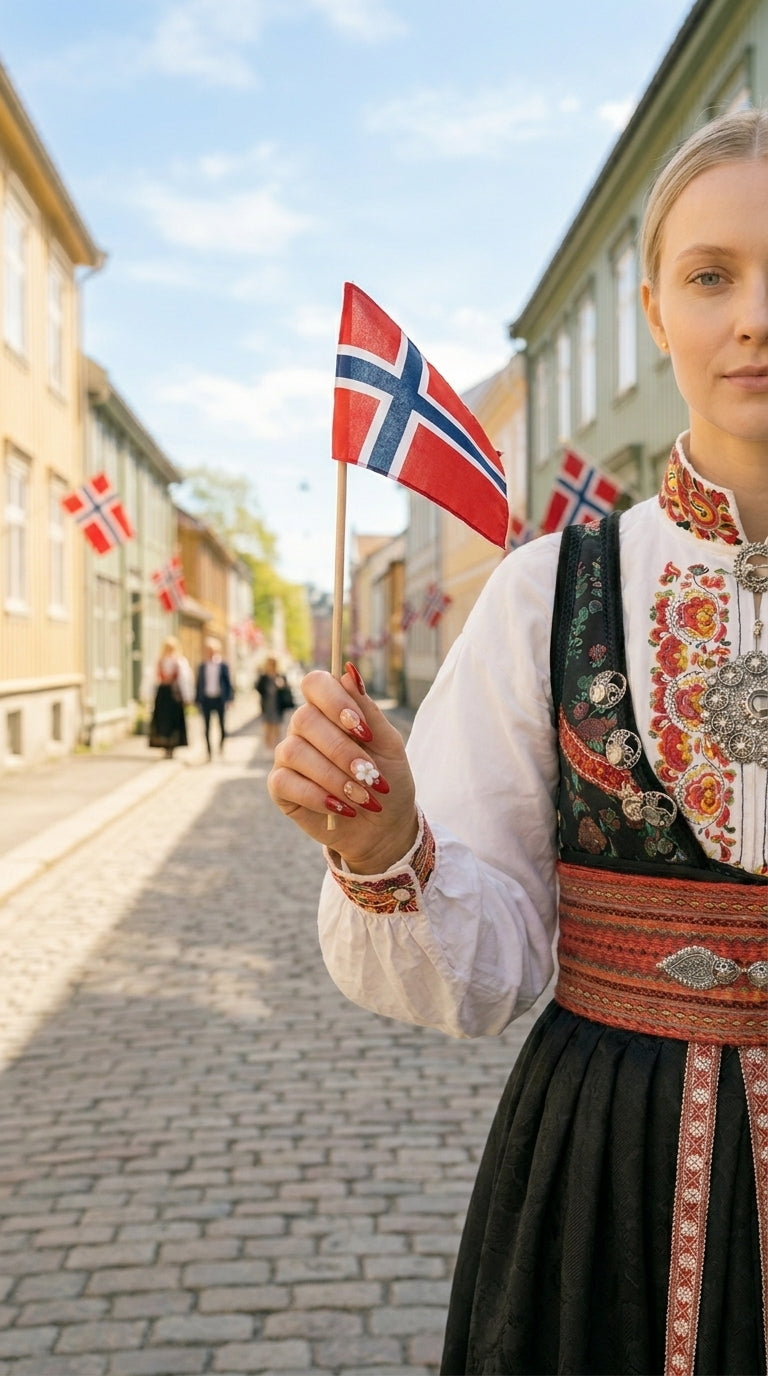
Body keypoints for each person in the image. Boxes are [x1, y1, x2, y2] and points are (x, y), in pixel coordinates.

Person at [267, 107, 768, 1376]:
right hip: (612, 1176)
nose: (754, 316)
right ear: (656, 310)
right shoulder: (553, 591)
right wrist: (392, 849)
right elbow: (488, 965)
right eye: (712, 277)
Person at [148, 635, 192, 758]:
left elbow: (184, 680)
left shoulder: (179, 662)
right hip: (163, 694)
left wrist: (187, 696)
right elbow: (152, 679)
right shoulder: (160, 661)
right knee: (163, 721)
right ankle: (164, 745)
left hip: (174, 694)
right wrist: (149, 695)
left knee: (174, 721)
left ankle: (173, 745)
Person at [195, 637, 233, 759]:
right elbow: (199, 683)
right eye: (207, 650)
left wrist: (230, 698)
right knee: (206, 727)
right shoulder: (202, 666)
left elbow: (228, 683)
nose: (209, 652)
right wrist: (197, 700)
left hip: (219, 699)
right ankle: (209, 751)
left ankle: (221, 746)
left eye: (211, 650)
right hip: (206, 699)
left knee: (221, 725)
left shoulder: (222, 665)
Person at [256, 656, 295, 753]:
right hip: (267, 706)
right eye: (269, 664)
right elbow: (258, 688)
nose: (271, 666)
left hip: (277, 706)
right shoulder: (264, 677)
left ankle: (276, 749)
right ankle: (268, 749)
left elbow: (287, 690)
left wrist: (282, 686)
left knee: (277, 728)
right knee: (267, 728)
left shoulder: (280, 676)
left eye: (273, 664)